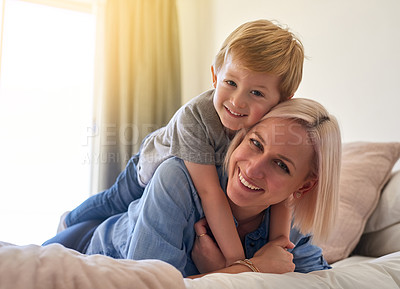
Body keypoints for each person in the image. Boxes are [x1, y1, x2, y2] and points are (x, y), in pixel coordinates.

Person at [55, 19, 305, 266]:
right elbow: (210, 193)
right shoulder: (195, 116)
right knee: (111, 202)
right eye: (231, 83)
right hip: (148, 168)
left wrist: (279, 243)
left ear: (282, 100)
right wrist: (237, 263)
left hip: (185, 175)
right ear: (215, 77)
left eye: (256, 93)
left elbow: (284, 196)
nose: (238, 101)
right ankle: (70, 220)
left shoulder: (270, 126)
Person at [44, 98, 341, 278]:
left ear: (304, 186)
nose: (252, 168)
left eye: (281, 166)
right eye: (255, 143)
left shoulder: (289, 228)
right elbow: (146, 284)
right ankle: (70, 216)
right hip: (84, 245)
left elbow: (321, 279)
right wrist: (250, 268)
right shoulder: (178, 178)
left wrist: (222, 272)